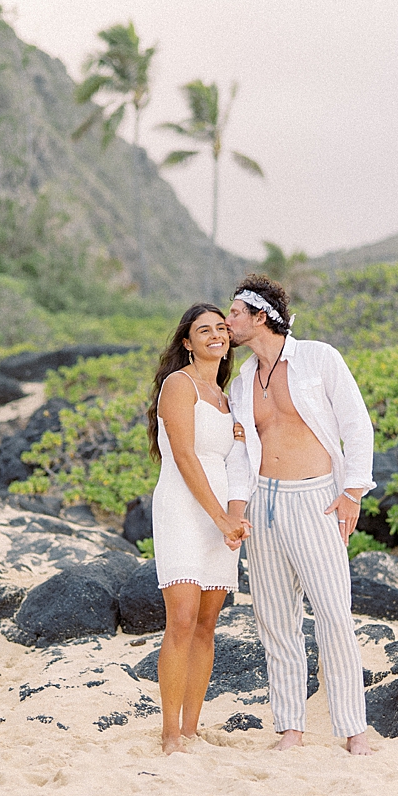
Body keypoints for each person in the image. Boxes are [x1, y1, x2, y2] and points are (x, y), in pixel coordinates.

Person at [224, 274, 376, 756]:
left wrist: (352, 492)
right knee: (274, 618)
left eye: (234, 314)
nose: (228, 323)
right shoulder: (244, 379)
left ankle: (354, 730)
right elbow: (239, 453)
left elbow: (357, 424)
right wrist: (238, 509)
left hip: (316, 499)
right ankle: (290, 727)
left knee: (333, 614)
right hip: (263, 503)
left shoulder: (319, 358)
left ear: (260, 315)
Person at [146, 303, 252, 755]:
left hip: (221, 516)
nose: (216, 335)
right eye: (203, 329)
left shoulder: (230, 400)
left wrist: (235, 517)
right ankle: (170, 735)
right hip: (183, 508)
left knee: (207, 623)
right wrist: (219, 516)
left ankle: (192, 728)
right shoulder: (178, 384)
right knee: (182, 620)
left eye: (221, 329)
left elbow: (238, 463)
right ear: (187, 342)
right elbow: (186, 457)